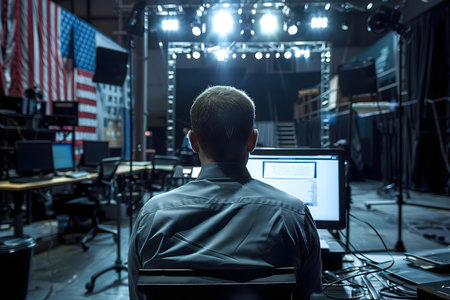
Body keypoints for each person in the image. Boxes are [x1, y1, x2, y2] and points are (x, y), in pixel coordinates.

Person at [128, 85, 322, 299]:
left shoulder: (152, 216)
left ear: (193, 141)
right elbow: (310, 294)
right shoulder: (294, 215)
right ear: (253, 140)